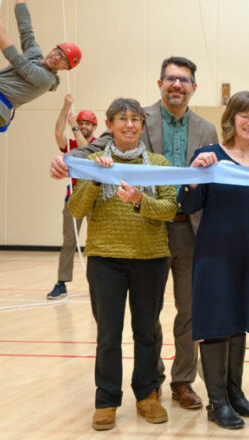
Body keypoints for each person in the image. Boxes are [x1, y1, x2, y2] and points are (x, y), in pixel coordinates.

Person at [50, 56, 218, 410]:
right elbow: (94, 150)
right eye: (171, 78)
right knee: (147, 319)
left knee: (188, 310)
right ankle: (150, 386)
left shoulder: (206, 129)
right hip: (142, 231)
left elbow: (215, 174)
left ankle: (183, 381)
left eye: (184, 80)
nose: (177, 84)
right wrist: (67, 161)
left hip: (189, 228)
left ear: (193, 87)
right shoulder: (136, 117)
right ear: (160, 83)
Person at [179, 91, 249, 429]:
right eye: (244, 115)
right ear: (232, 119)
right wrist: (195, 174)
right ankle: (217, 402)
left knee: (239, 321)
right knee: (216, 323)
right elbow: (188, 204)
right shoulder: (208, 156)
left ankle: (235, 394)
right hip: (214, 257)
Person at [67, 98, 176, 431]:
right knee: (108, 334)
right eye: (122, 119)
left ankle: (147, 395)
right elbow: (76, 209)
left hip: (151, 259)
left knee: (146, 332)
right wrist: (98, 179)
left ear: (143, 126)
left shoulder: (158, 163)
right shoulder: (92, 163)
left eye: (135, 119)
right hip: (105, 260)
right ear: (110, 125)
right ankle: (107, 400)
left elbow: (170, 208)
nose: (129, 124)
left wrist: (141, 200)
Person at [0, 0, 81, 160]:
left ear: (65, 68)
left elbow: (15, 58)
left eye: (63, 60)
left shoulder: (46, 80)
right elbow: (26, 28)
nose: (56, 58)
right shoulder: (35, 54)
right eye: (58, 52)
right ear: (54, 48)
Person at [46, 94, 96, 300]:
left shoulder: (98, 143)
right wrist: (65, 108)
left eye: (87, 123)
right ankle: (62, 282)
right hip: (73, 198)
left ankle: (97, 283)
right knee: (69, 241)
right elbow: (58, 132)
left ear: (93, 126)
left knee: (95, 241)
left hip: (94, 199)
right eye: (81, 122)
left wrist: (74, 126)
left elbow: (85, 150)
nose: (83, 126)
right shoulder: (69, 145)